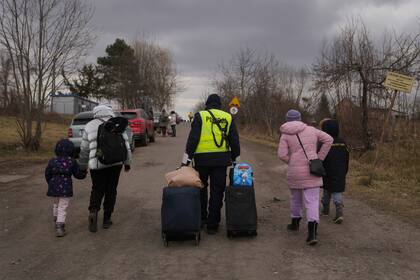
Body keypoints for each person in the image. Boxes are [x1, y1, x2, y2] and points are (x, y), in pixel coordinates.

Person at [182, 94, 240, 235]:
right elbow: (234, 141)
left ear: (207, 104)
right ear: (219, 104)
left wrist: (186, 161)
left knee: (201, 188)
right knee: (217, 191)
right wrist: (234, 160)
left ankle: (201, 219)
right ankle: (213, 225)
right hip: (221, 161)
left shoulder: (200, 116)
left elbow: (192, 140)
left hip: (201, 160)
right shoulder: (227, 117)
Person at [278, 109, 333, 245]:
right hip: (312, 169)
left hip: (295, 172)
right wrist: (319, 158)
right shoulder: (312, 130)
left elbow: (281, 154)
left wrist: (291, 160)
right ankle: (312, 233)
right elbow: (329, 139)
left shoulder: (285, 134)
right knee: (312, 201)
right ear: (300, 118)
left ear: (287, 119)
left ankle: (295, 223)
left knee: (295, 198)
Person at [79, 105, 132, 233]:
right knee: (111, 190)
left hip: (96, 164)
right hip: (115, 163)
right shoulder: (117, 124)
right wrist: (127, 162)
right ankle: (107, 219)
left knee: (97, 189)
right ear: (110, 112)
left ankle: (93, 210)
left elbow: (84, 149)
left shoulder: (89, 125)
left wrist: (82, 166)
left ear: (95, 113)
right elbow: (126, 145)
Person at [45, 139, 86, 237]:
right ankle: (60, 226)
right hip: (65, 187)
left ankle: (56, 218)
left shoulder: (52, 161)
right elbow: (77, 174)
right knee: (63, 206)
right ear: (71, 150)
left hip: (53, 186)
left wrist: (50, 183)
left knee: (56, 203)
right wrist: (84, 174)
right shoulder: (71, 162)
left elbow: (47, 173)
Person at [320, 119, 349, 224]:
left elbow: (320, 158)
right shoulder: (343, 143)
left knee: (327, 191)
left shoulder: (324, 142)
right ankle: (339, 212)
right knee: (337, 191)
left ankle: (326, 209)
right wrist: (345, 170)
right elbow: (346, 158)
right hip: (340, 172)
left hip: (326, 171)